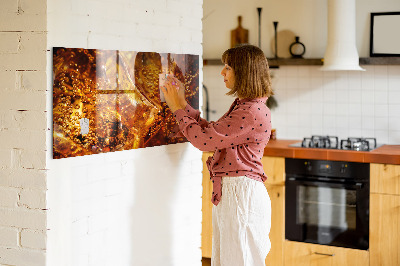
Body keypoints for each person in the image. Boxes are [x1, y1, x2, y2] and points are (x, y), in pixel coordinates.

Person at [161, 44, 273, 266]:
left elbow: (204, 141)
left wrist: (176, 109)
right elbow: (212, 133)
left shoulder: (250, 111)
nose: (222, 72)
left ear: (244, 72)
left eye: (228, 67)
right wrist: (183, 104)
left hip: (241, 195)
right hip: (236, 193)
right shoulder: (246, 106)